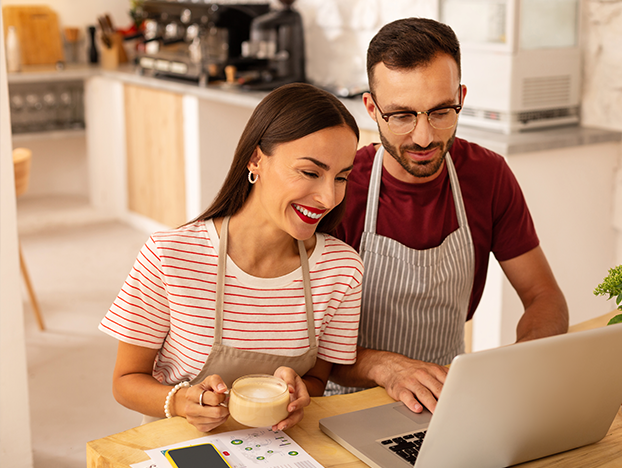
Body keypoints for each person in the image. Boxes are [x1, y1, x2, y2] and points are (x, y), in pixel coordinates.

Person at [327, 18, 569, 413]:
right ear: (371, 108)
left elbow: (545, 297)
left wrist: (519, 358)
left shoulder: (487, 176)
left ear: (461, 97)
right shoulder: (339, 188)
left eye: (441, 111)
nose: (424, 137)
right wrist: (384, 367)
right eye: (402, 116)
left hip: (446, 402)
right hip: (346, 407)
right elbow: (303, 342)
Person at [100, 83, 363, 433]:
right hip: (181, 443)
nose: (328, 197)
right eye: (310, 172)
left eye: (341, 176)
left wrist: (302, 393)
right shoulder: (170, 256)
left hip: (278, 449)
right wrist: (180, 401)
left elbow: (316, 379)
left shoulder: (341, 270)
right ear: (256, 160)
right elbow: (125, 381)